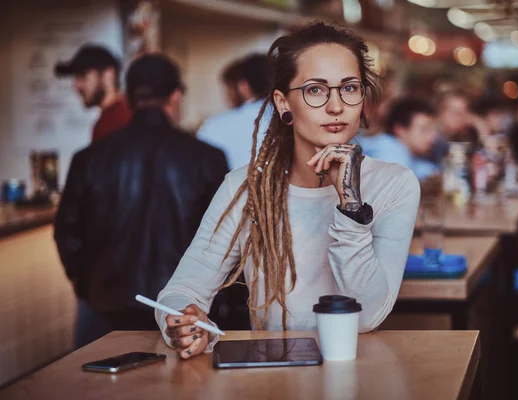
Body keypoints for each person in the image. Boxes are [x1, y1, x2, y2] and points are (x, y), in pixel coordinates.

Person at [156, 21, 421, 360]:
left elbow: (367, 315)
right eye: (315, 90)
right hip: (271, 378)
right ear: (283, 104)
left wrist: (351, 204)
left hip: (359, 376)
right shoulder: (246, 187)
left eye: (350, 88)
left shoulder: (394, 184)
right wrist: (184, 323)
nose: (336, 105)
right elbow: (182, 290)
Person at [54, 54, 229, 348]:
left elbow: (67, 234)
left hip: (105, 307)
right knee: (181, 390)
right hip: (184, 313)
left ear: (130, 97)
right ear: (174, 96)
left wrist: (90, 287)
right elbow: (226, 239)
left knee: (96, 390)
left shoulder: (89, 158)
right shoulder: (207, 158)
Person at [197, 53, 272, 170]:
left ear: (243, 87)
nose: (226, 96)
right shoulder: (291, 121)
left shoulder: (214, 126)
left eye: (228, 89)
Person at [55, 44, 132, 142]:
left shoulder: (121, 120)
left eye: (82, 76)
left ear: (108, 76)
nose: (76, 86)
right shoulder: (106, 121)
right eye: (75, 78)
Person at [357, 97, 439, 180]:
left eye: (433, 130)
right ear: (400, 129)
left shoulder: (411, 156)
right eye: (424, 129)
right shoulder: (390, 150)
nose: (432, 137)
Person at [427, 90, 481, 164]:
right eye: (456, 113)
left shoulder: (466, 136)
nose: (462, 118)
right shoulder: (431, 141)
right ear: (440, 113)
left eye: (464, 112)